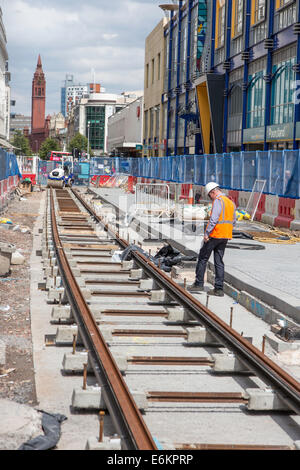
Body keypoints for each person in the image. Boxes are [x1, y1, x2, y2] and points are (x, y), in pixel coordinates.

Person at [188, 182, 236, 297]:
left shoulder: (218, 201)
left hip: (214, 234)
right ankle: (219, 289)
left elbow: (214, 219)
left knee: (203, 257)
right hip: (225, 235)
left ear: (213, 192)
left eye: (210, 195)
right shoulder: (230, 202)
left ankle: (199, 283)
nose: (210, 198)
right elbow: (234, 221)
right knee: (219, 261)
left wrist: (207, 233)